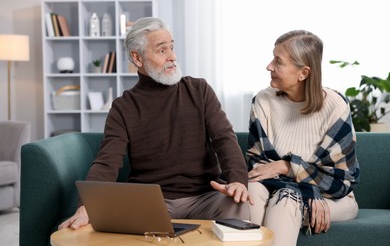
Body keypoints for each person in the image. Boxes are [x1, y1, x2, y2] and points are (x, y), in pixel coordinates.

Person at [59, 17, 252, 230]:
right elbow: (107, 161)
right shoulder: (123, 107)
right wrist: (88, 206)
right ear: (137, 58)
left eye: (172, 48)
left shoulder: (199, 90)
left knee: (237, 206)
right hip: (153, 202)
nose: (172, 57)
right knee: (109, 221)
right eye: (162, 51)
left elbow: (224, 138)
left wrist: (237, 181)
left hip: (205, 198)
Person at [246, 30, 360, 246]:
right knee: (251, 192)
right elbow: (258, 167)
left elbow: (340, 181)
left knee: (286, 201)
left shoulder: (335, 106)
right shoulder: (263, 100)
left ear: (303, 73)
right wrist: (301, 179)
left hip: (332, 198)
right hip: (277, 188)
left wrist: (286, 166)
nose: (269, 66)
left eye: (278, 61)